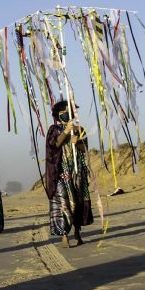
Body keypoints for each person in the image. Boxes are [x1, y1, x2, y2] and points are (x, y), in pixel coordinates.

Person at [45, 100, 93, 247]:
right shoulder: (54, 129)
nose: (66, 115)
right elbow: (54, 145)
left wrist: (77, 141)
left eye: (68, 112)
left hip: (77, 171)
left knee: (78, 202)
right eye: (63, 112)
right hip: (61, 173)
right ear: (58, 114)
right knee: (65, 203)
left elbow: (85, 148)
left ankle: (77, 231)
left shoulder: (79, 129)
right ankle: (64, 235)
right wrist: (66, 131)